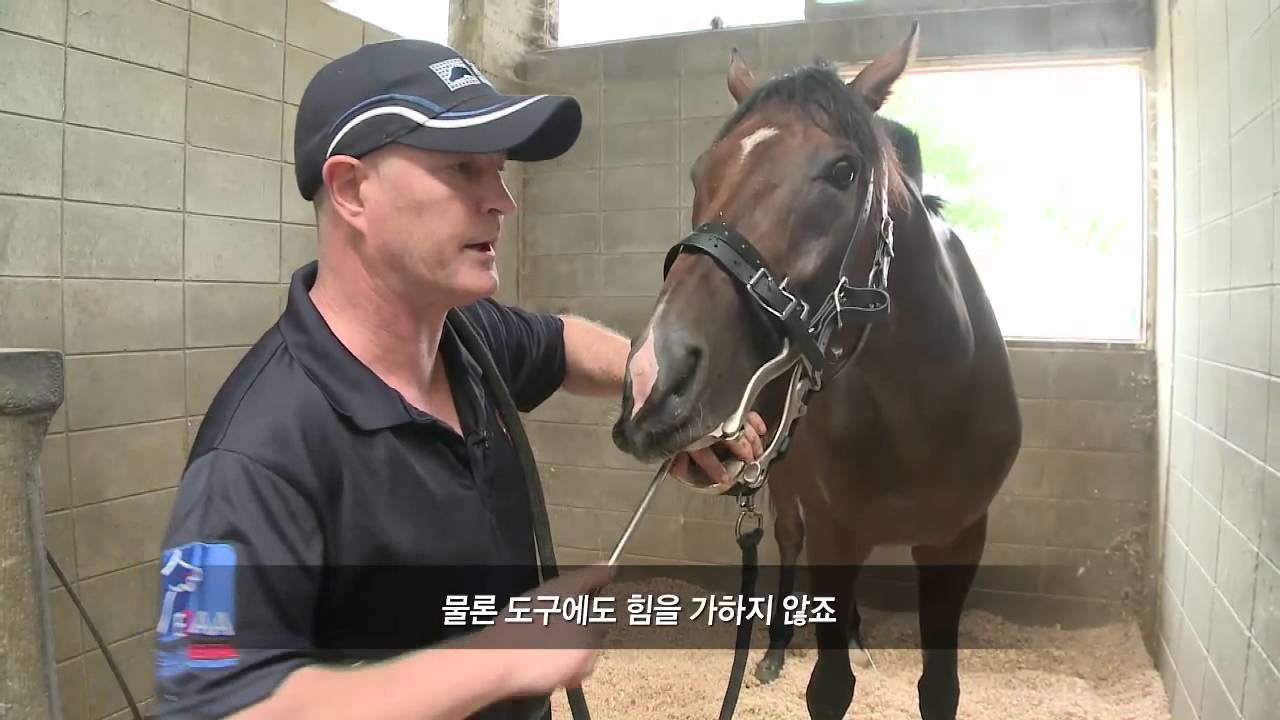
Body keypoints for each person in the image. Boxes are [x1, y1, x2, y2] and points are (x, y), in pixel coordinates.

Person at [152, 38, 766, 720]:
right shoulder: (252, 457)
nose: (501, 200)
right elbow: (218, 705)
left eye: (498, 171)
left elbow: (561, 343)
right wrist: (503, 656)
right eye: (463, 169)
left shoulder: (465, 337)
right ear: (353, 189)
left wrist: (664, 395)